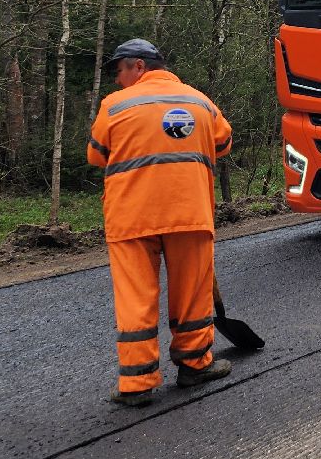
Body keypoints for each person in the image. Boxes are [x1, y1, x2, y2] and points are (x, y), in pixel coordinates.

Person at [87, 38, 234, 407]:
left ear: (138, 66)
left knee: (135, 297)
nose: (117, 80)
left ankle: (136, 384)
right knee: (192, 292)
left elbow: (95, 155)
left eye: (119, 71)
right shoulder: (200, 101)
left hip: (132, 217)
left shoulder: (115, 106)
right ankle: (194, 364)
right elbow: (224, 143)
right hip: (190, 213)